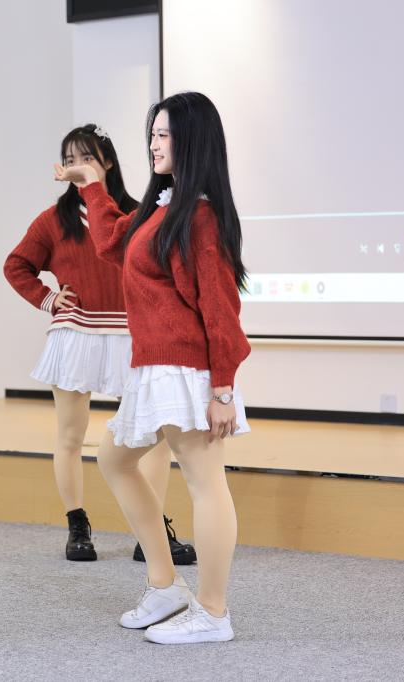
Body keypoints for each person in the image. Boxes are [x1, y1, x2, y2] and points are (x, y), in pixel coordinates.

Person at [55, 92, 250, 644]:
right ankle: (165, 585)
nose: (153, 143)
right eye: (153, 133)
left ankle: (213, 612)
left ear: (192, 141)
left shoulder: (200, 216)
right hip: (154, 367)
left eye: (164, 134)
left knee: (206, 485)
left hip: (186, 372)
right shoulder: (163, 207)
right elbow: (112, 244)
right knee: (114, 460)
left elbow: (221, 309)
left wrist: (223, 389)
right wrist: (92, 183)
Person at [4, 124, 195, 564]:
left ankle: (151, 530)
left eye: (85, 157)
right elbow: (16, 265)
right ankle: (77, 525)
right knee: (71, 435)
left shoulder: (137, 213)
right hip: (76, 333)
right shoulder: (54, 220)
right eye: (69, 158)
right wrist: (49, 299)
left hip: (132, 335)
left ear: (106, 161)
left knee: (153, 435)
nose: (76, 165)